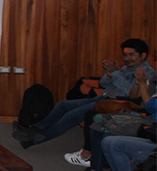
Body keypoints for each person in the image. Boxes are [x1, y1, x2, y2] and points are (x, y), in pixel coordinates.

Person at [14, 38, 156, 149]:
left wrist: (116, 74)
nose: (127, 58)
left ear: (143, 55)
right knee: (63, 105)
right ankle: (36, 128)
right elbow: (104, 84)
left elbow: (130, 92)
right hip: (102, 98)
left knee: (71, 116)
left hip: (117, 104)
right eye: (125, 55)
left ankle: (34, 140)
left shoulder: (148, 73)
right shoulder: (126, 68)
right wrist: (109, 75)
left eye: (131, 55)